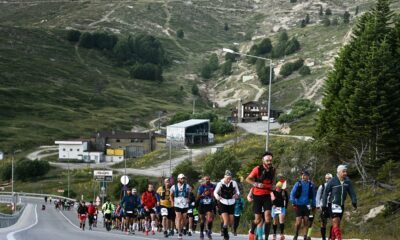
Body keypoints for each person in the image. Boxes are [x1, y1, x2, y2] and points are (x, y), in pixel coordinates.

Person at [246, 151, 276, 240]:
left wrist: (273, 187)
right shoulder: (257, 169)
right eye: (267, 160)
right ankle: (251, 231)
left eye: (270, 160)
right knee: (258, 220)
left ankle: (266, 237)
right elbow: (248, 179)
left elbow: (272, 182)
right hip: (257, 195)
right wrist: (256, 184)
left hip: (267, 195)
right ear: (263, 160)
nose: (269, 162)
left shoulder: (273, 170)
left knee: (268, 218)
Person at [322, 165, 357, 240]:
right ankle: (339, 238)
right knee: (335, 221)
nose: (345, 173)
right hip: (332, 204)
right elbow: (325, 193)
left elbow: (352, 192)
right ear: (339, 172)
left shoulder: (348, 181)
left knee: (337, 223)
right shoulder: (333, 181)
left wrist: (354, 201)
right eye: (343, 171)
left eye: (346, 171)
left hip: (341, 205)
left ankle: (332, 238)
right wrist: (324, 205)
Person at [290, 170, 317, 240]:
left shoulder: (311, 185)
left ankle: (305, 236)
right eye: (302, 175)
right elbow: (292, 194)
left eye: (304, 175)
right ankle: (296, 234)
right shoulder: (298, 184)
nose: (303, 176)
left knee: (306, 220)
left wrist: (314, 205)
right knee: (298, 222)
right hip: (298, 204)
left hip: (307, 205)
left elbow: (314, 195)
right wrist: (293, 202)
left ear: (308, 176)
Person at [214, 170, 240, 240]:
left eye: (230, 178)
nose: (229, 180)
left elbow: (237, 191)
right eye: (227, 178)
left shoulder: (234, 183)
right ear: (224, 177)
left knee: (230, 222)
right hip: (223, 203)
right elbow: (215, 192)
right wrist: (217, 197)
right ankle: (226, 236)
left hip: (231, 203)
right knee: (225, 221)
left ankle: (225, 229)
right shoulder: (220, 183)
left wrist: (237, 195)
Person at [170, 173, 191, 240]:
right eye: (181, 178)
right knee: (179, 218)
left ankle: (183, 227)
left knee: (184, 219)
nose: (183, 179)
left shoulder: (187, 186)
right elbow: (171, 195)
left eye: (183, 178)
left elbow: (189, 193)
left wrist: (188, 198)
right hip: (177, 204)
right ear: (178, 179)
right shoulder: (174, 186)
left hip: (185, 204)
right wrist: (172, 202)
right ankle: (179, 233)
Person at [197, 175, 215, 240]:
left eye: (209, 179)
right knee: (202, 220)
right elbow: (198, 196)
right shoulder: (201, 186)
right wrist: (204, 194)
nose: (208, 180)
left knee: (210, 218)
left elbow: (217, 193)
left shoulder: (213, 186)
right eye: (206, 179)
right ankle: (201, 232)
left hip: (209, 204)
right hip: (202, 204)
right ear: (204, 180)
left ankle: (209, 230)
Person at [316, 173, 333, 240]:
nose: (327, 179)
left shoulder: (334, 186)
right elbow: (318, 197)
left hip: (332, 206)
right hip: (323, 206)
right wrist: (318, 206)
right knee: (323, 222)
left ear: (332, 179)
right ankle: (323, 238)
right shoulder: (322, 186)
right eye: (326, 178)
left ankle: (330, 237)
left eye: (329, 178)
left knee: (333, 222)